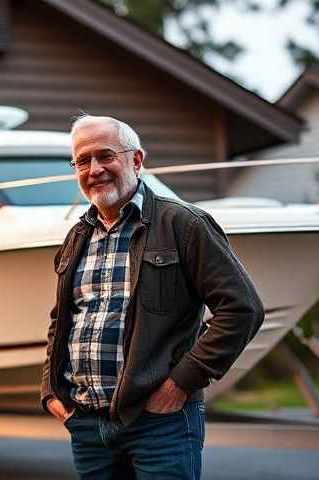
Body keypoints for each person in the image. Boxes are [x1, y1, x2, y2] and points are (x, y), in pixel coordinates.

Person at [40, 114, 264, 479]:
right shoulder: (77, 238)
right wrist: (50, 389)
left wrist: (181, 383)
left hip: (161, 424)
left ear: (136, 160)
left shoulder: (184, 224)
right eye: (83, 161)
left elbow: (243, 309)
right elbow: (62, 321)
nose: (94, 169)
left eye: (105, 156)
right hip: (87, 426)